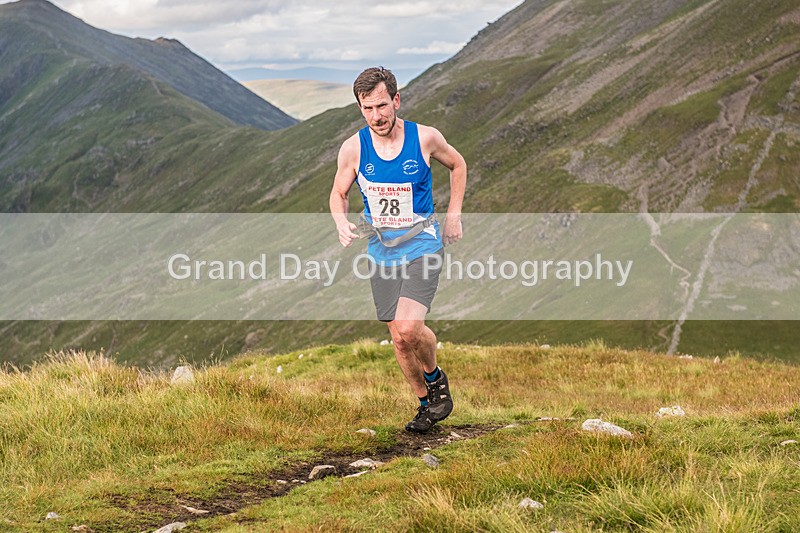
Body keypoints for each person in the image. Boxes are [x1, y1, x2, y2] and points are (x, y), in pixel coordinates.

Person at [329, 66, 467, 433]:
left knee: (409, 326)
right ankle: (426, 403)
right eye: (367, 108)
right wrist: (341, 222)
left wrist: (453, 216)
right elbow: (339, 192)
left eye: (382, 106)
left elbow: (458, 164)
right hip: (381, 250)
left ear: (396, 100)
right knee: (400, 339)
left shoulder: (425, 138)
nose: (376, 116)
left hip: (423, 243)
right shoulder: (354, 147)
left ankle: (435, 377)